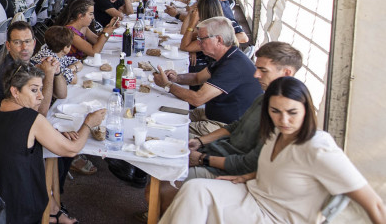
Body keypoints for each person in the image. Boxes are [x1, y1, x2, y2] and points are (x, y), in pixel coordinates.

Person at [161, 77, 386, 224]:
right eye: (275, 111)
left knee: (195, 201)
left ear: (307, 110)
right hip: (254, 193)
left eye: (292, 112)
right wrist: (249, 176)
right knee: (195, 190)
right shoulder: (276, 132)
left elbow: (374, 202)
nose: (284, 119)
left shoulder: (319, 147)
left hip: (276, 216)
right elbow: (283, 166)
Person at [0, 63, 105, 224]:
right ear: (15, 91)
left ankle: (54, 210)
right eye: (34, 90)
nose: (40, 96)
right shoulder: (32, 120)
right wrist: (89, 122)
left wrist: (53, 135)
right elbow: (72, 150)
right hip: (14, 204)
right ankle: (52, 211)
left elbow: (12, 137)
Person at [153, 17, 262, 135]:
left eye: (202, 39)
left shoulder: (233, 66)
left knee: (168, 132)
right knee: (160, 115)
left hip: (227, 126)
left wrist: (167, 85)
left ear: (219, 39)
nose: (199, 43)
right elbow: (197, 78)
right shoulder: (228, 55)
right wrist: (177, 78)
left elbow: (197, 99)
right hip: (212, 114)